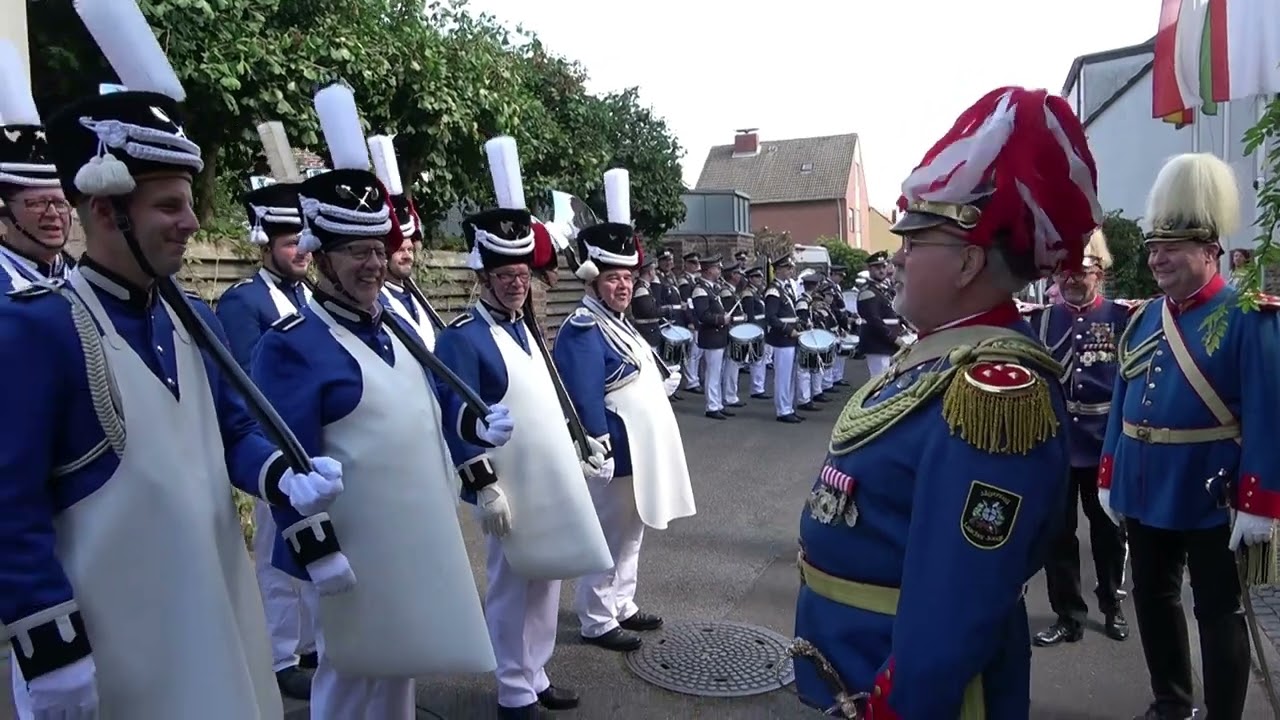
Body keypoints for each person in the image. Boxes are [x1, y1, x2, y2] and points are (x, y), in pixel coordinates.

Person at [0, 17, 345, 718]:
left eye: (189, 202)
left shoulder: (194, 316)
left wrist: (283, 475)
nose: (190, 222)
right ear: (104, 208)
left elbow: (234, 432)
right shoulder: (37, 328)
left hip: (209, 601)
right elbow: (11, 502)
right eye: (168, 205)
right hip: (107, 638)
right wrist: (48, 640)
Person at [791, 85, 1102, 719]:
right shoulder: (936, 355)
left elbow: (957, 602)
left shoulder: (992, 391)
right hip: (847, 662)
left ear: (967, 263)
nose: (898, 255)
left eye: (915, 241)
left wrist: (892, 705)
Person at [250, 82, 505, 719]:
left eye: (377, 250)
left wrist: (473, 422)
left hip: (410, 531)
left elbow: (423, 410)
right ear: (318, 258)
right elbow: (289, 456)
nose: (372, 264)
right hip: (352, 546)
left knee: (400, 665)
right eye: (354, 252)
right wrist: (316, 548)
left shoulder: (390, 324)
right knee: (348, 671)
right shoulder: (294, 344)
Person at [433, 136, 611, 720]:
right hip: (506, 486)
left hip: (547, 479)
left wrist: (579, 445)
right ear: (481, 276)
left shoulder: (524, 327)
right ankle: (512, 688)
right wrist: (482, 484)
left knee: (548, 580)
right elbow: (453, 414)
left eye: (521, 272)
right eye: (503, 273)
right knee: (512, 587)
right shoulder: (463, 336)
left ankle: (535, 673)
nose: (515, 281)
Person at [1100, 152, 1280, 720]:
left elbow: (1270, 413)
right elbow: (1122, 404)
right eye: (1153, 249)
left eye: (1170, 248)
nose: (1157, 259)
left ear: (1209, 252)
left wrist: (1260, 501)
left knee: (1218, 611)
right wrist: (1109, 472)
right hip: (1146, 486)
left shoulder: (1250, 315)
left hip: (1212, 493)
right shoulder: (1144, 318)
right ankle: (1171, 702)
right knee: (1153, 601)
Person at [553, 168, 694, 654]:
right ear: (593, 280)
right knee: (608, 535)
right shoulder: (582, 328)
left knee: (632, 532)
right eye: (614, 278)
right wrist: (597, 442)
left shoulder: (619, 323)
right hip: (613, 450)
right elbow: (583, 394)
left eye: (628, 277)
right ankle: (595, 616)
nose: (623, 286)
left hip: (640, 450)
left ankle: (622, 603)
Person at [214, 178, 317, 699]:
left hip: (313, 443)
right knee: (277, 553)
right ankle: (280, 656)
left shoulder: (309, 296)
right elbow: (250, 381)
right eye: (287, 242)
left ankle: (310, 643)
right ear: (265, 244)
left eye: (303, 239)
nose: (300, 250)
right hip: (270, 444)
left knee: (312, 546)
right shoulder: (244, 301)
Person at [1028, 228, 1131, 648]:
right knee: (1058, 536)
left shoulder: (1123, 318)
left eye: (1082, 272)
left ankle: (1112, 604)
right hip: (1056, 448)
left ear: (1100, 274)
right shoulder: (1041, 320)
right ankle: (1068, 614)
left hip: (1104, 446)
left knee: (1109, 536)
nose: (1072, 279)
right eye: (1065, 272)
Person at [0, 40, 72, 295]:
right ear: (5, 212)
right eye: (37, 203)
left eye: (60, 202)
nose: (53, 213)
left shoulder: (84, 279)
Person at [368, 134, 441, 350]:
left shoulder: (414, 297)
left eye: (409, 249)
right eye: (400, 250)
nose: (408, 255)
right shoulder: (375, 302)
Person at [691, 255, 735, 419]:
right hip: (711, 336)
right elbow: (702, 315)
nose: (720, 270)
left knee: (718, 371)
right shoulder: (700, 289)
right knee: (712, 373)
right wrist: (720, 319)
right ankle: (711, 406)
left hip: (719, 335)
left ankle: (717, 403)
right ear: (709, 270)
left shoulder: (711, 288)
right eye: (717, 268)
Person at [764, 254, 803, 423]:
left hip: (791, 336)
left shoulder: (786, 289)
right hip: (782, 338)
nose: (790, 271)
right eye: (787, 268)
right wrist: (787, 329)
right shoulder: (773, 290)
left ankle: (789, 407)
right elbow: (771, 317)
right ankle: (783, 409)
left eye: (791, 267)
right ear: (778, 269)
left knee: (791, 375)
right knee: (783, 375)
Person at [856, 251, 903, 376]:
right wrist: (894, 338)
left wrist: (906, 325)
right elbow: (874, 320)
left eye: (883, 266)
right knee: (879, 381)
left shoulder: (882, 289)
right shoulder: (868, 292)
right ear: (869, 269)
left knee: (888, 379)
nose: (882, 270)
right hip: (877, 344)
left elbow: (892, 313)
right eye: (877, 267)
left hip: (886, 344)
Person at [677, 251, 702, 391]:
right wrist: (690, 320)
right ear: (686, 264)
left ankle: (695, 378)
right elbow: (686, 302)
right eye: (692, 263)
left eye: (696, 262)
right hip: (689, 319)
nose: (695, 265)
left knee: (697, 353)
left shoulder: (694, 279)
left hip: (697, 318)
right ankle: (691, 381)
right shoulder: (684, 281)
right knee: (692, 353)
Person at [628, 254, 665, 348]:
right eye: (653, 270)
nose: (655, 273)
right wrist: (667, 311)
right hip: (647, 332)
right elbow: (649, 312)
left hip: (651, 331)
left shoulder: (645, 287)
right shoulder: (641, 289)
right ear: (650, 272)